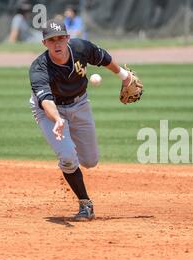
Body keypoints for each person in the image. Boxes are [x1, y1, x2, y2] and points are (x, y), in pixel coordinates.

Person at [28, 19, 134, 221]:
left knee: (90, 161)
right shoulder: (39, 68)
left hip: (80, 104)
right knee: (68, 156)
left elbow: (103, 58)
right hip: (50, 110)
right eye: (51, 40)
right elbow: (46, 101)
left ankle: (71, 160)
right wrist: (58, 119)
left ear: (67, 38)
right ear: (45, 43)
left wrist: (124, 76)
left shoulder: (81, 48)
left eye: (60, 38)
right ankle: (85, 204)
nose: (57, 44)